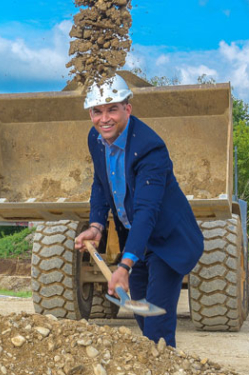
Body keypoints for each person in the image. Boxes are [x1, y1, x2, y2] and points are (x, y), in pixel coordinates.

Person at [73, 75, 203, 347]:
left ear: (127, 109)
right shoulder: (95, 138)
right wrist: (96, 225)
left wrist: (123, 266)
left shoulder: (149, 148)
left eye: (112, 109)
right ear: (90, 113)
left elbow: (146, 211)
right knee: (144, 320)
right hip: (139, 240)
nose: (104, 119)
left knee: (157, 329)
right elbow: (100, 182)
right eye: (97, 111)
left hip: (169, 240)